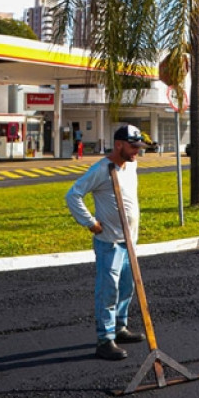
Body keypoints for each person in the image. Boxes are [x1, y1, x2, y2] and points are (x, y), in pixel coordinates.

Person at [65, 124, 148, 360]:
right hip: (109, 243)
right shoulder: (102, 169)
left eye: (138, 147)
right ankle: (105, 339)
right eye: (133, 147)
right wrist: (90, 222)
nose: (136, 152)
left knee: (126, 288)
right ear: (119, 144)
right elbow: (73, 194)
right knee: (108, 292)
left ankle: (120, 328)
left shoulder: (131, 167)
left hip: (129, 242)